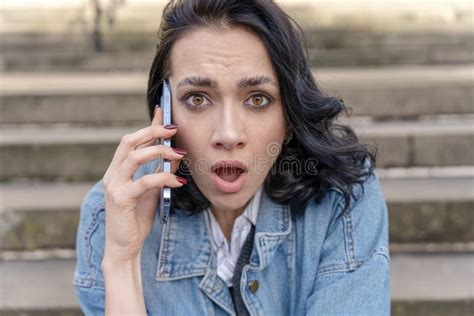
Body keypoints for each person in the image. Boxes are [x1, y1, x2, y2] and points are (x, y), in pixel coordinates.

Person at [74, 0, 391, 315]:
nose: (227, 135)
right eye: (197, 99)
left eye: (257, 99)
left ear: (290, 120)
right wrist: (121, 261)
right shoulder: (114, 212)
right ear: (165, 112)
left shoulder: (342, 196)